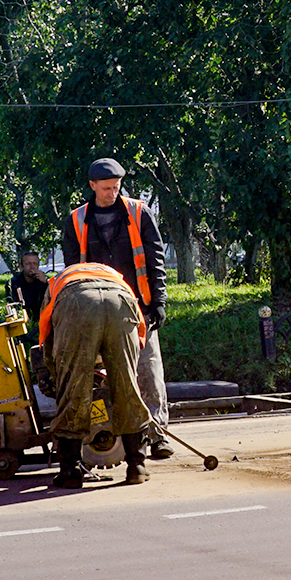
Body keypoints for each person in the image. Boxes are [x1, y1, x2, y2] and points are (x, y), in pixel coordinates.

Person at [60, 157, 173, 459]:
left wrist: (159, 301)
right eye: (106, 187)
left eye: (116, 187)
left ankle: (157, 435)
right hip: (94, 314)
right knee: (107, 377)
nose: (112, 192)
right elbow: (72, 271)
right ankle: (114, 437)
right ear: (92, 185)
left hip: (139, 309)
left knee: (148, 372)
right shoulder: (76, 220)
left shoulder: (139, 212)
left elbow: (155, 260)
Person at [39, 262, 151, 488]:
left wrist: (56, 375)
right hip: (121, 302)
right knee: (127, 387)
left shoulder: (56, 283)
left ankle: (70, 471)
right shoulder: (116, 275)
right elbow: (139, 334)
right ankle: (137, 467)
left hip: (76, 302)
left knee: (73, 389)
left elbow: (47, 333)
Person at [7, 249, 49, 321]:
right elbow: (13, 304)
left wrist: (46, 282)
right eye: (28, 264)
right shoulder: (13, 283)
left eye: (34, 264)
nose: (32, 267)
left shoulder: (44, 280)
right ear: (22, 266)